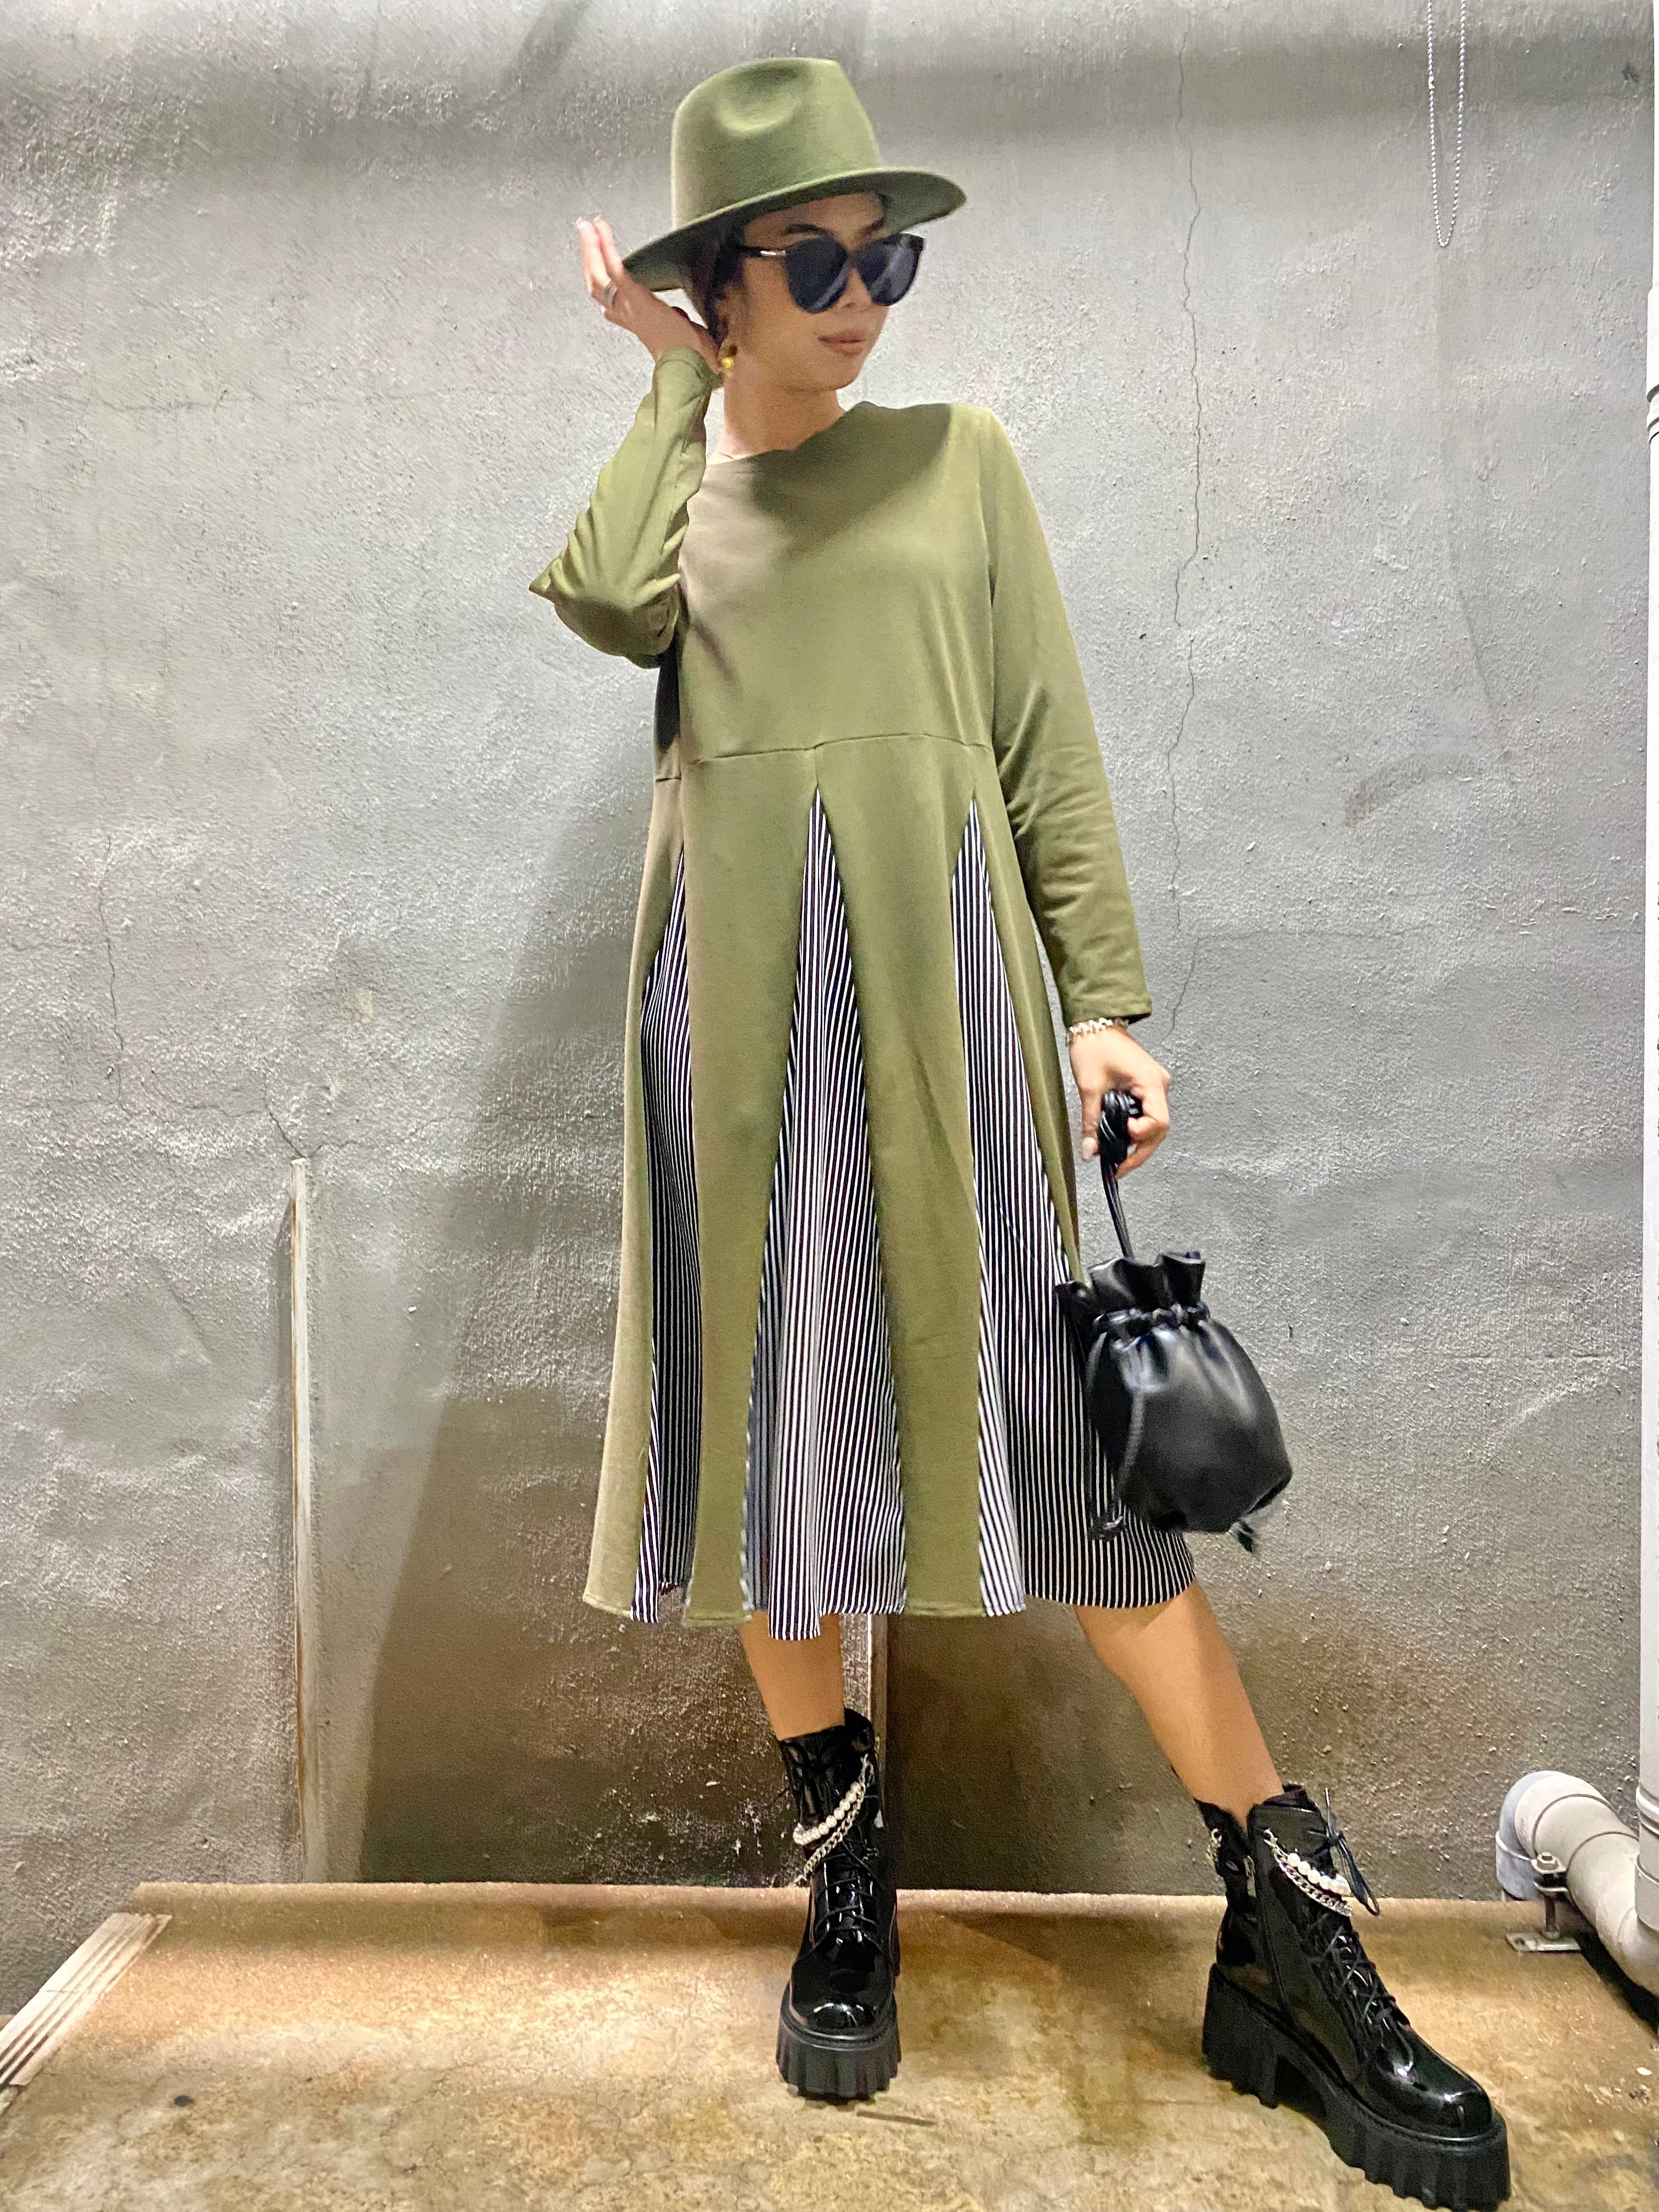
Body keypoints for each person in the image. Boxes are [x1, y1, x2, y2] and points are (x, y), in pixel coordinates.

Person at [530, 55, 1509, 2212]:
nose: (863, 297)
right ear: (717, 282)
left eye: (886, 257)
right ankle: (843, 1868)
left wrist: (1102, 999)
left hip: (952, 1001)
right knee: (783, 1465)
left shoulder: (961, 461)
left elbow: (1045, 739)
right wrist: (669, 385)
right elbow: (601, 600)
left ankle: (1290, 1936)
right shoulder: (678, 494)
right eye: (813, 263)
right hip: (740, 1025)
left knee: (1086, 1472)